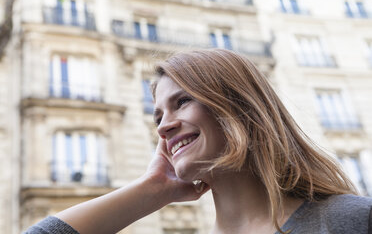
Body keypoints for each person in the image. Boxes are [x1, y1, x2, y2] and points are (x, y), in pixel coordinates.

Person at [25, 49, 372, 234]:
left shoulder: (347, 220)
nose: (162, 127)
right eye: (157, 116)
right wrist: (151, 190)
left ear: (240, 106)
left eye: (182, 101)